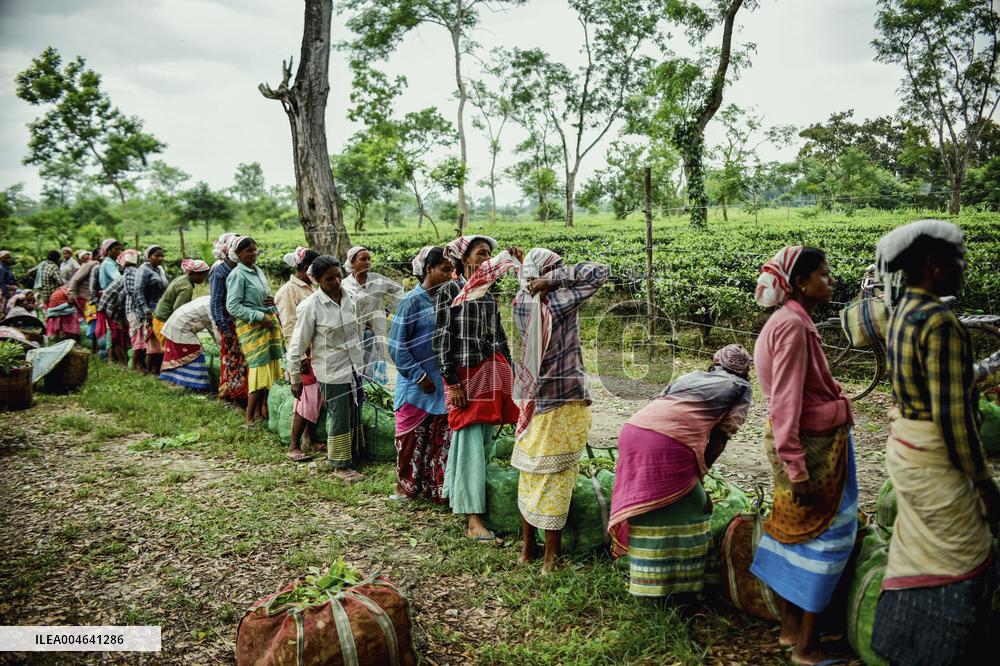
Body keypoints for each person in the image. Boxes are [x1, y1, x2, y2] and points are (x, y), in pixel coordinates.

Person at [870, 220, 1000, 665]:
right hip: (936, 457)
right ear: (933, 266)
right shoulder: (941, 322)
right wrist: (983, 485)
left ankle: (899, 642)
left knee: (917, 551)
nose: (965, 267)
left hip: (909, 448)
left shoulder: (904, 310)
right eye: (958, 260)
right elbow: (954, 418)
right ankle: (941, 650)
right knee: (965, 552)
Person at [748, 246, 856, 666]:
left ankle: (790, 629)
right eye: (824, 275)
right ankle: (807, 648)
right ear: (799, 284)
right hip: (811, 449)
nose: (830, 281)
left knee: (791, 529)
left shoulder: (789, 320)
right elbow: (786, 403)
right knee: (829, 536)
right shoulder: (793, 326)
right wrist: (796, 467)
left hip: (802, 444)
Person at [608, 345, 753, 597]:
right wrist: (699, 477)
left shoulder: (691, 376)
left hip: (634, 429)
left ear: (714, 362)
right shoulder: (741, 388)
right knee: (698, 508)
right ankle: (682, 586)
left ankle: (647, 579)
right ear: (746, 371)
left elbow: (665, 402)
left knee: (651, 505)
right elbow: (721, 436)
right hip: (669, 442)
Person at [512, 248, 610, 572]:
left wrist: (531, 271)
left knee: (530, 475)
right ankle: (550, 561)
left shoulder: (522, 303)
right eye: (556, 268)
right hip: (563, 400)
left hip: (534, 401)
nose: (562, 271)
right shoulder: (558, 303)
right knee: (557, 478)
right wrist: (553, 278)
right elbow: (599, 270)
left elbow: (525, 284)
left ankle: (527, 549)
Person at [433, 235, 521, 542]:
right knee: (470, 442)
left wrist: (509, 371)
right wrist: (452, 382)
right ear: (463, 258)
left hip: (489, 375)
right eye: (480, 253)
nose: (486, 259)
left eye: (489, 254)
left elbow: (499, 335)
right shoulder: (451, 290)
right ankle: (473, 520)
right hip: (466, 378)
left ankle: (459, 499)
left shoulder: (486, 292)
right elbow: (442, 339)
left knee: (478, 441)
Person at [287, 255, 366, 480]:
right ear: (318, 280)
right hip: (330, 368)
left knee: (354, 409)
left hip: (353, 365)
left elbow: (357, 331)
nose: (336, 282)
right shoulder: (310, 306)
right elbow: (297, 345)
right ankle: (340, 464)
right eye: (329, 279)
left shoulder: (352, 297)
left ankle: (352, 454)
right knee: (339, 413)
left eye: (338, 276)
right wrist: (295, 377)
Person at [388, 246, 454, 501]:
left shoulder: (447, 299)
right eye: (445, 269)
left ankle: (431, 488)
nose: (450, 275)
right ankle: (406, 488)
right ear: (429, 269)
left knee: (436, 439)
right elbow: (396, 346)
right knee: (411, 440)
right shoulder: (411, 301)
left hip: (440, 383)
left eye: (452, 269)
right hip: (416, 386)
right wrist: (419, 376)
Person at [226, 236, 283, 425]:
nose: (253, 253)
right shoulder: (237, 275)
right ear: (238, 254)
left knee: (270, 368)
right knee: (259, 370)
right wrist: (258, 316)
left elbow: (262, 295)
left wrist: (271, 300)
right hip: (253, 327)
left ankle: (260, 413)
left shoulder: (257, 271)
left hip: (268, 324)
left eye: (254, 250)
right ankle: (249, 418)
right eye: (249, 251)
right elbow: (233, 306)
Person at [275, 246, 321, 461]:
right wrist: (299, 357)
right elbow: (289, 328)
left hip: (316, 351)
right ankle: (294, 445)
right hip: (303, 353)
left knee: (316, 396)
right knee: (305, 397)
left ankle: (309, 439)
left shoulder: (311, 287)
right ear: (304, 268)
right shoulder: (288, 291)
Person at [342, 245, 404, 384]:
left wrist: (387, 310)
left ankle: (373, 390)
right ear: (352, 262)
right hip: (356, 332)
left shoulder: (377, 280)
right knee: (358, 365)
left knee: (375, 362)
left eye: (369, 259)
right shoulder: (345, 285)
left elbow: (398, 290)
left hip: (376, 330)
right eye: (363, 259)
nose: (367, 262)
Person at [209, 232, 249, 404]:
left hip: (242, 321)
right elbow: (216, 302)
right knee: (232, 360)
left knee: (242, 359)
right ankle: (230, 395)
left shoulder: (242, 269)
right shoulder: (220, 270)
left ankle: (241, 393)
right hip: (228, 322)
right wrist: (224, 327)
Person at [159, 295, 217, 391]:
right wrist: (223, 346)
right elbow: (216, 327)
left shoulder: (208, 299)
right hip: (181, 327)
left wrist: (218, 342)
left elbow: (212, 328)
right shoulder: (212, 306)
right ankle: (196, 386)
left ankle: (180, 383)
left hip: (178, 323)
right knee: (195, 354)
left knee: (184, 355)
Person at [153, 258, 210, 346]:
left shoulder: (180, 279)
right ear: (196, 274)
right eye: (204, 275)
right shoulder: (187, 288)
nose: (204, 278)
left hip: (159, 317)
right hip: (164, 320)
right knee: (170, 352)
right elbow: (178, 310)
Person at [96, 250, 139, 365]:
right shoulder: (132, 275)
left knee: (120, 335)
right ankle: (122, 363)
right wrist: (120, 318)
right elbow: (122, 298)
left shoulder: (129, 272)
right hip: (111, 307)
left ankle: (117, 361)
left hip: (113, 306)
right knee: (117, 336)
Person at [132, 245, 169, 375]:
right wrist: (146, 310)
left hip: (159, 310)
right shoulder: (143, 270)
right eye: (157, 256)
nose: (160, 258)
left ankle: (155, 369)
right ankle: (148, 370)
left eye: (162, 256)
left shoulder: (159, 269)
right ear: (148, 257)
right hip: (148, 310)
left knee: (158, 341)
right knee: (151, 342)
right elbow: (138, 291)